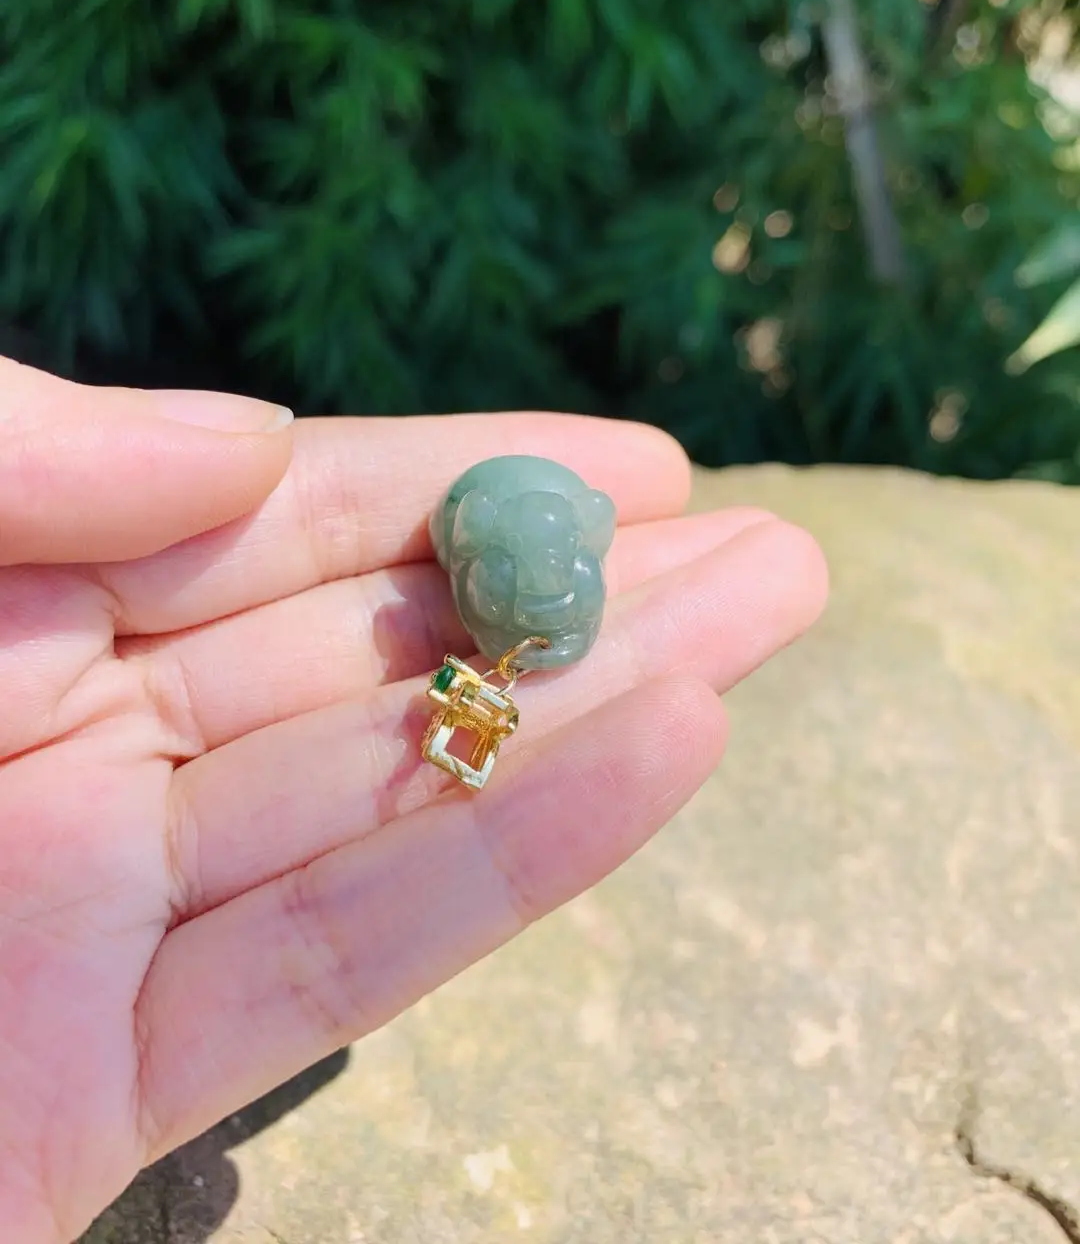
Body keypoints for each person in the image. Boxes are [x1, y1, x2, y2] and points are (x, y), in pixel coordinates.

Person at [0, 355, 828, 1243]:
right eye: (510, 564)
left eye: (562, 558)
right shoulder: (488, 573)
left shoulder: (558, 582)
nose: (546, 582)